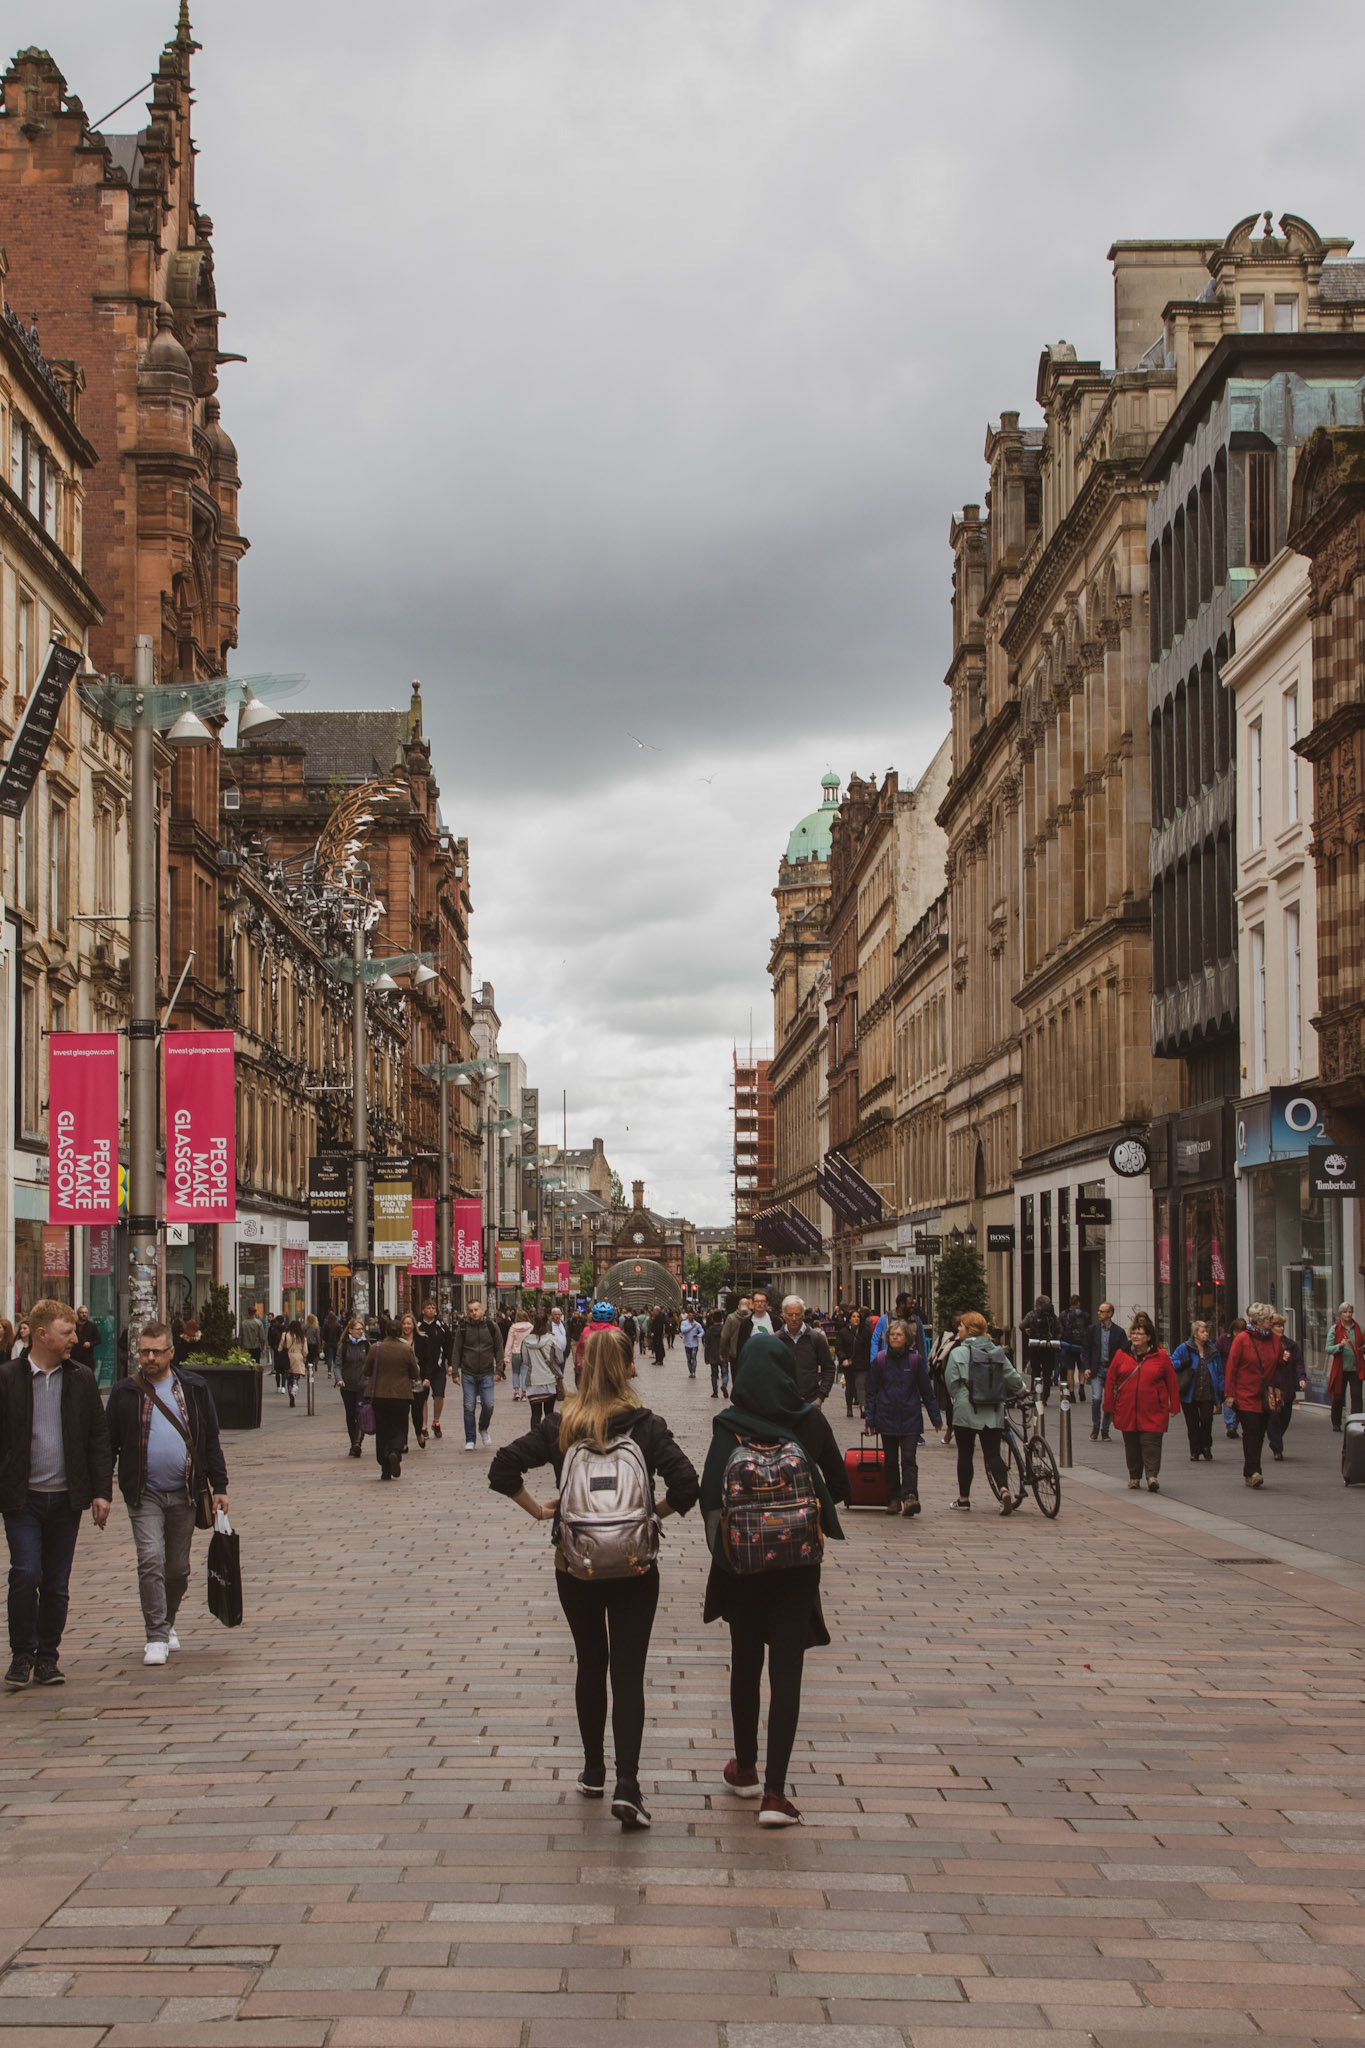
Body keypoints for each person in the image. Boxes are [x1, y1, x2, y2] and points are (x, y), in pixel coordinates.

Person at [488, 1322, 699, 1830]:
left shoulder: (562, 1425)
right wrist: (651, 1516)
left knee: (590, 1662)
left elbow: (502, 1469)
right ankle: (628, 1784)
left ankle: (592, 1770)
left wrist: (542, 1512)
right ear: (629, 1367)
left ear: (579, 1368)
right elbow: (690, 1486)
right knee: (627, 1671)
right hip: (633, 1567)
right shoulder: (647, 1425)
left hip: (575, 1565)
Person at [700, 1330, 849, 1825]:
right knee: (787, 1672)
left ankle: (744, 1769)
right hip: (797, 1566)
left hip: (742, 1568)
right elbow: (843, 1487)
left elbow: (708, 1499)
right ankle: (776, 1795)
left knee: (746, 1661)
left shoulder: (728, 1427)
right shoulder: (810, 1421)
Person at [0, 1299, 112, 1689]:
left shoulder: (80, 1378)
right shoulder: (8, 1379)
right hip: (22, 1498)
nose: (75, 1339)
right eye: (68, 1332)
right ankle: (21, 1656)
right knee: (24, 1573)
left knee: (56, 1583)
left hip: (66, 1498)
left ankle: (48, 1658)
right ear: (42, 1334)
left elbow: (98, 1438)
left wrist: (101, 1492)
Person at [105, 1319, 229, 1666]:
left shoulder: (194, 1388)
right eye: (144, 1351)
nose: (149, 1358)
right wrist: (102, 1491)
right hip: (143, 1492)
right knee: (151, 1560)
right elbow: (108, 1443)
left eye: (156, 1352)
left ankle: (167, 1620)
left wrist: (220, 1486)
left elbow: (210, 1441)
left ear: (171, 1352)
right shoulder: (124, 1392)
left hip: (185, 1492)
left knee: (177, 1569)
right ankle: (156, 1635)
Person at [944, 1311, 1026, 1514]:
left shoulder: (958, 1353)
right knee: (992, 1453)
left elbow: (951, 1383)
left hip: (966, 1407)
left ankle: (964, 1499)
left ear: (970, 1329)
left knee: (965, 1454)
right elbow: (1012, 1377)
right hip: (993, 1407)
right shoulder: (997, 1352)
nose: (958, 1329)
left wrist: (959, 1398)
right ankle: (1004, 1490)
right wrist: (1022, 1390)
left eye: (961, 1326)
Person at [865, 1317, 942, 1516]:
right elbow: (871, 1392)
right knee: (890, 1461)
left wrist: (936, 1418)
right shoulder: (880, 1360)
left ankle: (910, 1496)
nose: (895, 1338)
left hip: (910, 1416)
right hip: (887, 1415)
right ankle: (893, 1498)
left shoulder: (915, 1360)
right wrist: (870, 1421)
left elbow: (927, 1391)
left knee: (908, 1459)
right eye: (892, 1335)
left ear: (907, 1338)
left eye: (899, 1335)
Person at [1103, 1312, 1180, 1492]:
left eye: (1140, 1334)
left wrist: (1174, 1405)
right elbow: (1110, 1380)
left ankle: (1152, 1476)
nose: (1135, 1337)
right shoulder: (1121, 1355)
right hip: (1127, 1408)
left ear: (1149, 1337)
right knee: (1132, 1446)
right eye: (1134, 1333)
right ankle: (1134, 1476)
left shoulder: (1160, 1356)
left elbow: (1172, 1382)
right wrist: (1108, 1406)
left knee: (1151, 1443)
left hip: (1154, 1409)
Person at [1223, 1305, 1279, 1488]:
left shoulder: (1275, 1340)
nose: (1273, 1321)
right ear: (1260, 1321)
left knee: (1260, 1432)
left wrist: (1284, 1360)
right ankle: (1254, 1471)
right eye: (1270, 1319)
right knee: (1252, 1431)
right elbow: (1231, 1367)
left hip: (1265, 1396)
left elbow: (1278, 1365)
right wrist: (1229, 1394)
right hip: (1245, 1394)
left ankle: (1250, 1470)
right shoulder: (1242, 1339)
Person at [364, 1321, 423, 1479]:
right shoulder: (406, 1349)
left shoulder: (375, 1348)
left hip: (379, 1395)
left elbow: (366, 1370)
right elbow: (414, 1373)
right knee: (399, 1427)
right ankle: (395, 1452)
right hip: (401, 1395)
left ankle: (385, 1467)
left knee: (382, 1430)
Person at [452, 1300, 503, 1449]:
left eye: (476, 1310)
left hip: (487, 1372)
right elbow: (456, 1350)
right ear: (468, 1312)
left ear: (482, 1310)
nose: (474, 1313)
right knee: (468, 1407)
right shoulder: (463, 1328)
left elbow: (499, 1349)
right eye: (471, 1310)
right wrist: (455, 1371)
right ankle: (470, 1439)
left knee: (489, 1405)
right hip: (468, 1372)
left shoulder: (491, 1327)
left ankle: (483, 1427)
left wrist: (499, 1370)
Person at [1171, 1319, 1222, 1462]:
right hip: (1190, 1391)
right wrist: (1182, 1363)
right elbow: (1171, 1362)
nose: (1206, 1334)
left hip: (1207, 1391)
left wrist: (1221, 1389)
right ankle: (1194, 1450)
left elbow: (1219, 1371)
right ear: (1195, 1334)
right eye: (1202, 1331)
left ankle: (1206, 1446)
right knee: (1192, 1424)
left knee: (1207, 1420)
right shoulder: (1185, 1348)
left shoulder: (1212, 1350)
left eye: (1207, 1331)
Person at [772, 1295, 836, 1406]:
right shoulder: (775, 1340)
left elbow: (829, 1368)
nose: (794, 1318)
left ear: (803, 1314)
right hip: (782, 1401)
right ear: (783, 1315)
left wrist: (820, 1396)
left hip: (810, 1401)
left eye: (797, 1314)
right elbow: (769, 1371)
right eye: (790, 1315)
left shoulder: (816, 1339)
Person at [1080, 1301, 1129, 1442]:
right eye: (1099, 1311)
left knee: (1109, 1400)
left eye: (1102, 1311)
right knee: (1096, 1398)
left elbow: (1124, 1352)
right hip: (1097, 1368)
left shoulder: (1119, 1332)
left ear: (1109, 1314)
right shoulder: (1093, 1330)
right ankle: (1095, 1426)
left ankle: (1105, 1430)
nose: (1098, 1313)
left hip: (1112, 1370)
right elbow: (1086, 1349)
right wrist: (1087, 1367)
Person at [1266, 1313, 1306, 1462]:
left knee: (1285, 1418)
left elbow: (1298, 1363)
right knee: (1273, 1417)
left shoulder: (1291, 1344)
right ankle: (1277, 1447)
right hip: (1273, 1386)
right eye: (1278, 1325)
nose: (1281, 1328)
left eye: (1282, 1325)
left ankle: (1276, 1438)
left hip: (1287, 1386)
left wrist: (1302, 1378)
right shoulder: (1266, 1344)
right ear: (1271, 1327)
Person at [413, 1299, 452, 1439]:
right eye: (428, 1308)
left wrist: (450, 1363)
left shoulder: (441, 1325)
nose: (431, 1310)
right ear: (423, 1310)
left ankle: (436, 1421)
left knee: (439, 1395)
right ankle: (423, 1425)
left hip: (438, 1367)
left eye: (433, 1308)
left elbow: (448, 1343)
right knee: (422, 1397)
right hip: (421, 1369)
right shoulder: (417, 1326)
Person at [394, 1312, 431, 1446]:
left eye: (409, 1323)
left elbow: (428, 1361)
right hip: (402, 1382)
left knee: (417, 1411)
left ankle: (418, 1433)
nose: (406, 1326)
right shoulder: (397, 1341)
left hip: (419, 1381)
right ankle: (403, 1441)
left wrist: (427, 1378)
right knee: (402, 1413)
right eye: (404, 1324)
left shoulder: (422, 1339)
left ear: (413, 1325)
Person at [520, 1312, 564, 1426]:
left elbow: (525, 1360)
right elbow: (560, 1359)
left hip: (533, 1382)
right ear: (547, 1322)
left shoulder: (526, 1341)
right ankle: (549, 1438)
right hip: (549, 1381)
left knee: (535, 1414)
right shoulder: (552, 1339)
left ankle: (535, 1439)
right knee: (549, 1413)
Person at [336, 1314, 371, 1456]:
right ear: (350, 1330)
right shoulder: (343, 1346)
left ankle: (358, 1443)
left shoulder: (366, 1345)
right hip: (347, 1386)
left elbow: (371, 1364)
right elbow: (338, 1365)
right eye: (357, 1329)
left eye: (362, 1329)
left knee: (361, 1412)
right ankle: (353, 1441)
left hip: (363, 1385)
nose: (360, 1332)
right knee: (350, 1414)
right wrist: (339, 1379)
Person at [1327, 1303, 1364, 1431]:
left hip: (1355, 1368)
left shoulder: (1359, 1329)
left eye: (1350, 1312)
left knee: (1357, 1396)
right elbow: (1328, 1348)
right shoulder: (1334, 1329)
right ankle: (1336, 1423)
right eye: (1345, 1312)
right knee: (1338, 1396)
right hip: (1340, 1369)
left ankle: (1357, 1422)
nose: (1348, 1314)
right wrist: (1339, 1346)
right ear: (1340, 1314)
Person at [1021, 1294, 1061, 1401]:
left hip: (1035, 1346)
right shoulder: (1052, 1317)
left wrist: (1028, 1331)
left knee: (1035, 1371)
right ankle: (1045, 1396)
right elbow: (1059, 1329)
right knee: (1047, 1373)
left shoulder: (1032, 1314)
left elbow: (1021, 1326)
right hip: (1048, 1347)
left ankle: (1035, 1394)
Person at [1217, 1318, 1247, 1437]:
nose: (1237, 1334)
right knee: (1228, 1398)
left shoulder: (1247, 1341)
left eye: (1240, 1331)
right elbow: (1216, 1353)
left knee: (1240, 1400)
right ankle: (1230, 1424)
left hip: (1242, 1375)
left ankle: (1235, 1423)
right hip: (1226, 1373)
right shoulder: (1224, 1340)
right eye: (1236, 1331)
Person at [1059, 1295, 1089, 1400]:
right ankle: (1081, 1387)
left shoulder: (1064, 1314)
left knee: (1070, 1370)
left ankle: (1071, 1393)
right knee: (1081, 1368)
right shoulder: (1084, 1315)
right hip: (1081, 1345)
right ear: (1078, 1303)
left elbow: (1060, 1329)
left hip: (1069, 1345)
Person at [703, 1307, 728, 1399]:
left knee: (714, 1374)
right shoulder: (725, 1330)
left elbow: (707, 1344)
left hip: (713, 1355)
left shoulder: (709, 1331)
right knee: (725, 1372)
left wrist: (706, 1357)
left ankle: (715, 1392)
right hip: (723, 1354)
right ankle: (724, 1385)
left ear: (712, 1319)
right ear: (722, 1319)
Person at [283, 1318, 307, 1408]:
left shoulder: (285, 1335)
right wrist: (304, 1358)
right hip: (298, 1357)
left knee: (289, 1378)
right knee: (296, 1379)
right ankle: (294, 1392)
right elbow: (305, 1351)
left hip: (288, 1358)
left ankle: (290, 1393)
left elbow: (280, 1347)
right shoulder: (302, 1337)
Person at [70, 1307, 99, 1375]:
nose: (84, 1314)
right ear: (78, 1314)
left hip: (87, 1357)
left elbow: (98, 1340)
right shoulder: (73, 1325)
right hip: (74, 1356)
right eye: (82, 1313)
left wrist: (90, 1343)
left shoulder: (92, 1326)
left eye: (85, 1313)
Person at [238, 1302, 265, 1367]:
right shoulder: (258, 1323)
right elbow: (262, 1337)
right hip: (256, 1346)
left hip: (246, 1346)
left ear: (248, 1312)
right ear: (255, 1313)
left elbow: (240, 1336)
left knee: (246, 1364)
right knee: (256, 1363)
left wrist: (240, 1346)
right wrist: (262, 1347)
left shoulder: (243, 1323)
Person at [680, 1309, 703, 1378]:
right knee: (689, 1359)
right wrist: (691, 1327)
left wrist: (698, 1336)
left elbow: (702, 1332)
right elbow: (683, 1330)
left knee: (694, 1357)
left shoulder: (697, 1324)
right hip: (687, 1344)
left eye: (692, 1315)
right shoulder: (684, 1323)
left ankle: (693, 1372)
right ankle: (690, 1371)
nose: (691, 1317)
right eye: (690, 1315)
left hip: (694, 1344)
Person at [267, 1310, 287, 1390]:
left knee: (277, 1369)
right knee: (284, 1369)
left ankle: (278, 1386)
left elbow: (270, 1338)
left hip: (276, 1350)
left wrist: (272, 1346)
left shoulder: (272, 1329)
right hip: (284, 1351)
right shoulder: (286, 1329)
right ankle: (283, 1386)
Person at [321, 1307, 342, 1378]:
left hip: (329, 1343)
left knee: (329, 1357)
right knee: (336, 1359)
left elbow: (324, 1336)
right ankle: (336, 1372)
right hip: (336, 1343)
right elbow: (340, 1336)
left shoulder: (327, 1325)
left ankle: (329, 1371)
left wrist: (323, 1343)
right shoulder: (338, 1326)